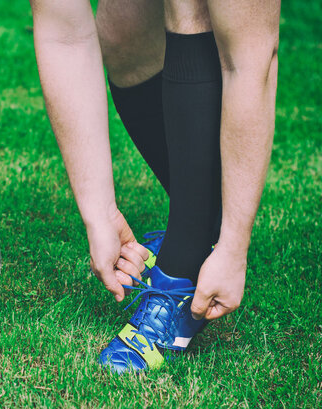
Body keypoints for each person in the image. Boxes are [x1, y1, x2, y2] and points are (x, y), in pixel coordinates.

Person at [30, 0, 280, 373]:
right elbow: (62, 30)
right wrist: (99, 213)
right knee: (125, 37)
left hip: (241, 47)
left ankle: (183, 270)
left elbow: (249, 57)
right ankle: (202, 223)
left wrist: (234, 247)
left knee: (188, 10)